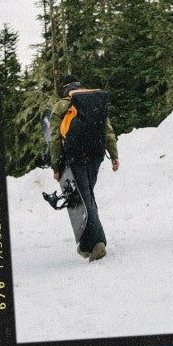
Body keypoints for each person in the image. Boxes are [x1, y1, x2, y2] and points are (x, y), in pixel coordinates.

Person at [49, 74, 119, 261]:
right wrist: (114, 155)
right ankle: (87, 244)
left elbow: (55, 138)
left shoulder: (62, 105)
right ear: (79, 84)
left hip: (76, 155)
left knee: (84, 198)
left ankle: (98, 244)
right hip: (96, 154)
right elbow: (108, 130)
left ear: (64, 87)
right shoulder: (93, 101)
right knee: (87, 195)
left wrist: (56, 167)